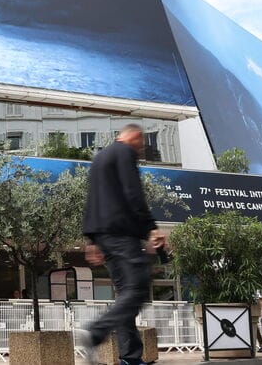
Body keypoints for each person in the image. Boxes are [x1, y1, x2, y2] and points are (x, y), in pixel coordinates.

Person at [79, 123, 166, 365]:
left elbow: (93, 200)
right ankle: (96, 331)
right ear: (133, 137)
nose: (139, 149)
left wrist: (92, 240)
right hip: (121, 234)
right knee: (138, 288)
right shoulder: (124, 152)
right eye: (140, 144)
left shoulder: (99, 158)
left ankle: (130, 356)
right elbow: (133, 191)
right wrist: (150, 227)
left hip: (104, 236)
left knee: (125, 293)